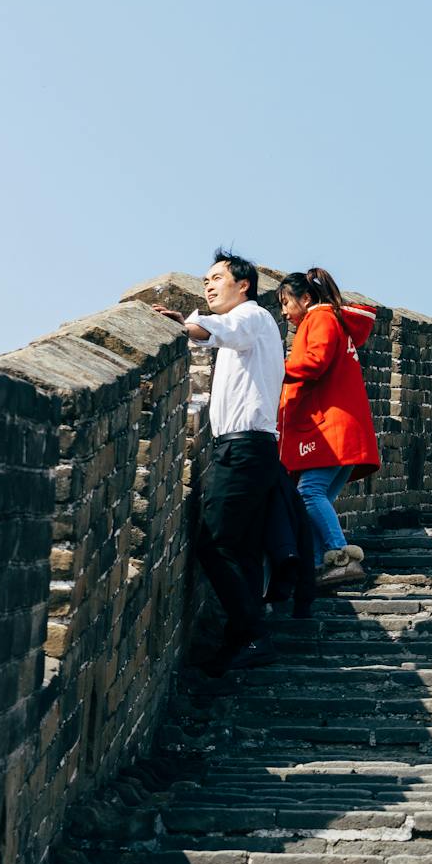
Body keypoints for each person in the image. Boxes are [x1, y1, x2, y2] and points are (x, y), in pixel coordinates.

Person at [151, 250, 285, 671]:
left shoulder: (251, 317)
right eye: (204, 280)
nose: (207, 286)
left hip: (246, 448)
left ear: (244, 285)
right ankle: (241, 638)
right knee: (240, 548)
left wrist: (186, 326)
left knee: (215, 544)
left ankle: (253, 634)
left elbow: (220, 330)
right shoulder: (244, 328)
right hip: (248, 448)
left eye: (216, 278)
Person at [277, 267, 380, 589]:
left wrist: (270, 367)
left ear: (305, 298)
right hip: (341, 428)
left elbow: (315, 362)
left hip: (329, 428)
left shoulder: (319, 319)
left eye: (285, 302)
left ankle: (339, 555)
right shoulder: (332, 320)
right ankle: (323, 566)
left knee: (308, 493)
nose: (283, 312)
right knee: (311, 498)